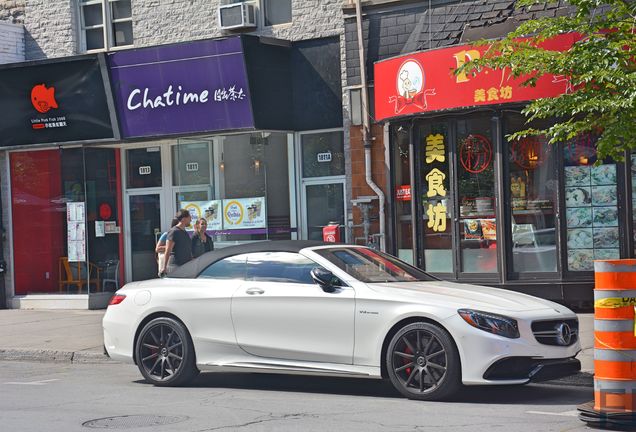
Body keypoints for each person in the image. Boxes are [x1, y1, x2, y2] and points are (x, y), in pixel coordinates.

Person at [159, 209, 193, 276]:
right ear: (183, 219)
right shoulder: (174, 231)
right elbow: (168, 250)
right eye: (189, 218)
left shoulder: (185, 232)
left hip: (185, 266)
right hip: (176, 266)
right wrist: (164, 267)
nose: (191, 220)